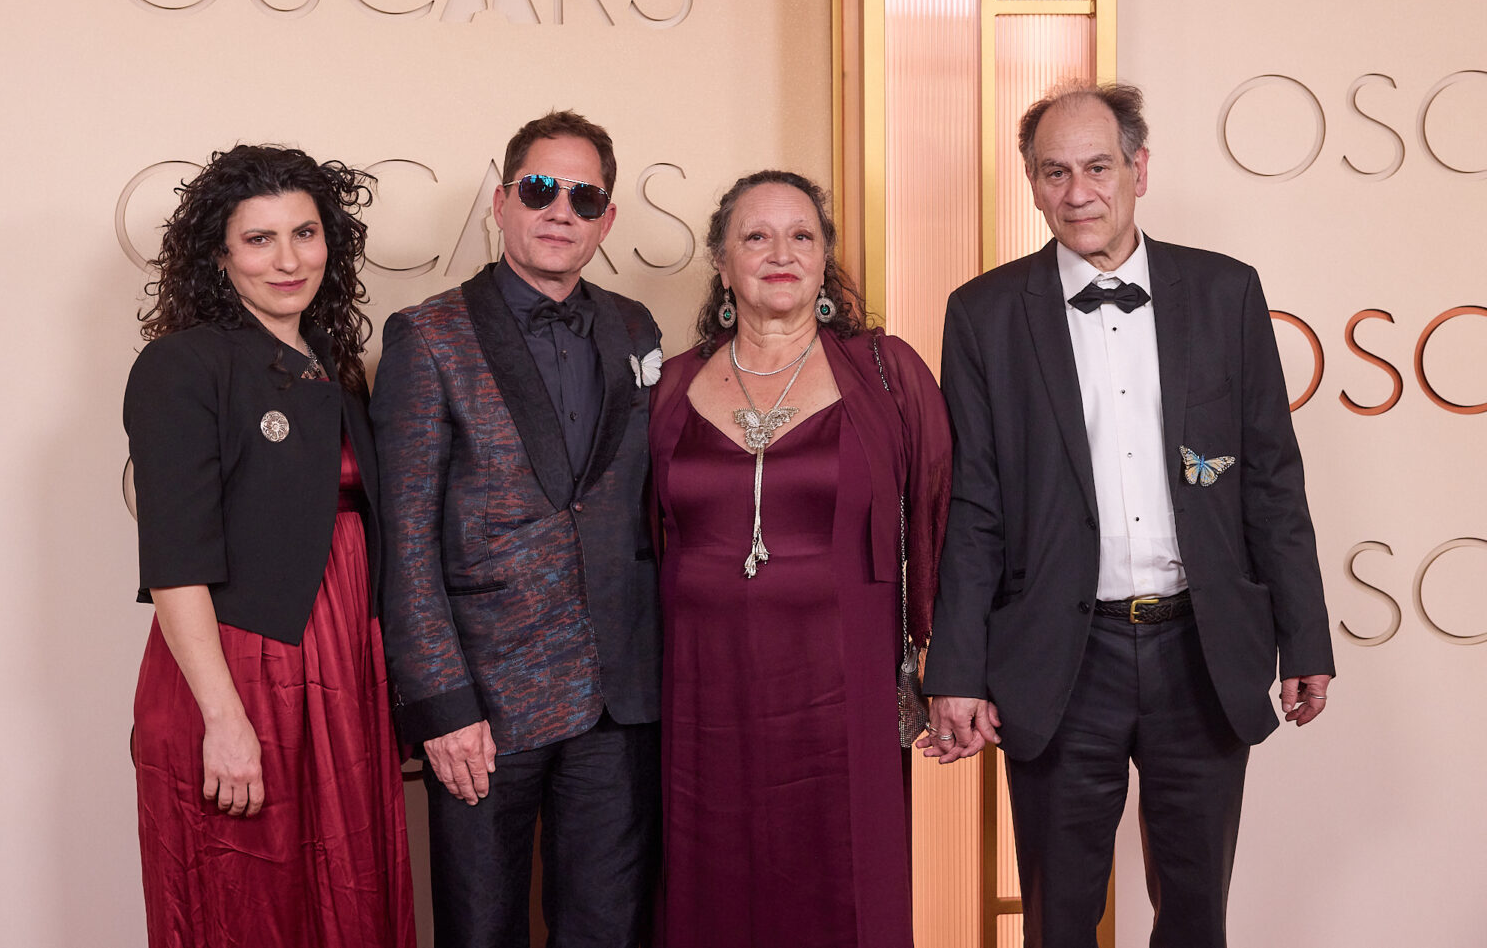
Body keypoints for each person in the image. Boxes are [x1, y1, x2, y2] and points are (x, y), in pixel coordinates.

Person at [920, 82, 1335, 947]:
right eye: (1055, 171)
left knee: (1195, 912)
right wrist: (956, 668)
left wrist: (1305, 638)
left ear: (1139, 169)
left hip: (1202, 647)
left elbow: (1270, 480)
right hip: (1060, 658)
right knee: (1058, 915)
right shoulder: (984, 313)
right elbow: (975, 503)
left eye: (1099, 166)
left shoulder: (1226, 291)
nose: (1079, 192)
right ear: (1031, 184)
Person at [370, 111, 662, 947]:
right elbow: (407, 541)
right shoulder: (427, 336)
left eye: (584, 195)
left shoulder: (637, 326)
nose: (560, 209)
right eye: (540, 188)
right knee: (481, 929)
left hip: (620, 695)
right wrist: (444, 704)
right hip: (486, 707)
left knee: (611, 929)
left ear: (606, 220)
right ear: (501, 202)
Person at [649, 170, 952, 948]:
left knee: (844, 887)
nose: (780, 253)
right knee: (710, 883)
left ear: (825, 260)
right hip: (700, 687)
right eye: (756, 236)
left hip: (844, 685)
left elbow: (944, 517)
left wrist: (950, 667)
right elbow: (646, 538)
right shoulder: (672, 385)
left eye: (801, 235)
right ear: (722, 262)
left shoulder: (887, 371)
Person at [123, 144, 415, 948]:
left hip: (342, 670)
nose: (288, 259)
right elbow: (177, 563)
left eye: (306, 233)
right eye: (259, 239)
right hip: (243, 672)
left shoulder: (333, 367)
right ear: (218, 255)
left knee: (343, 892)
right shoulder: (182, 366)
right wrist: (223, 717)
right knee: (249, 902)